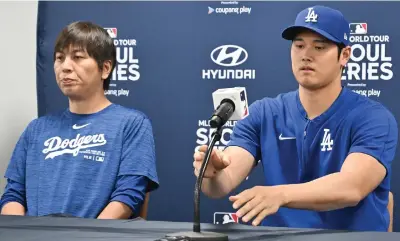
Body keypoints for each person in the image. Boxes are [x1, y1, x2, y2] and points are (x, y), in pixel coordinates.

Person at [193, 5, 398, 231]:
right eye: (299, 46)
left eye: (319, 47)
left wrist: (281, 194)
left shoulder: (373, 117)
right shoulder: (264, 113)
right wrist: (210, 173)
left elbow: (352, 187)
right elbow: (222, 184)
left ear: (345, 55)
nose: (306, 55)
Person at [0, 21, 159, 219]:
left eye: (77, 57)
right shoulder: (37, 129)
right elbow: (13, 195)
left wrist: (86, 235)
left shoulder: (132, 124)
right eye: (59, 58)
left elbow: (129, 195)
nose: (65, 67)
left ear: (105, 68)